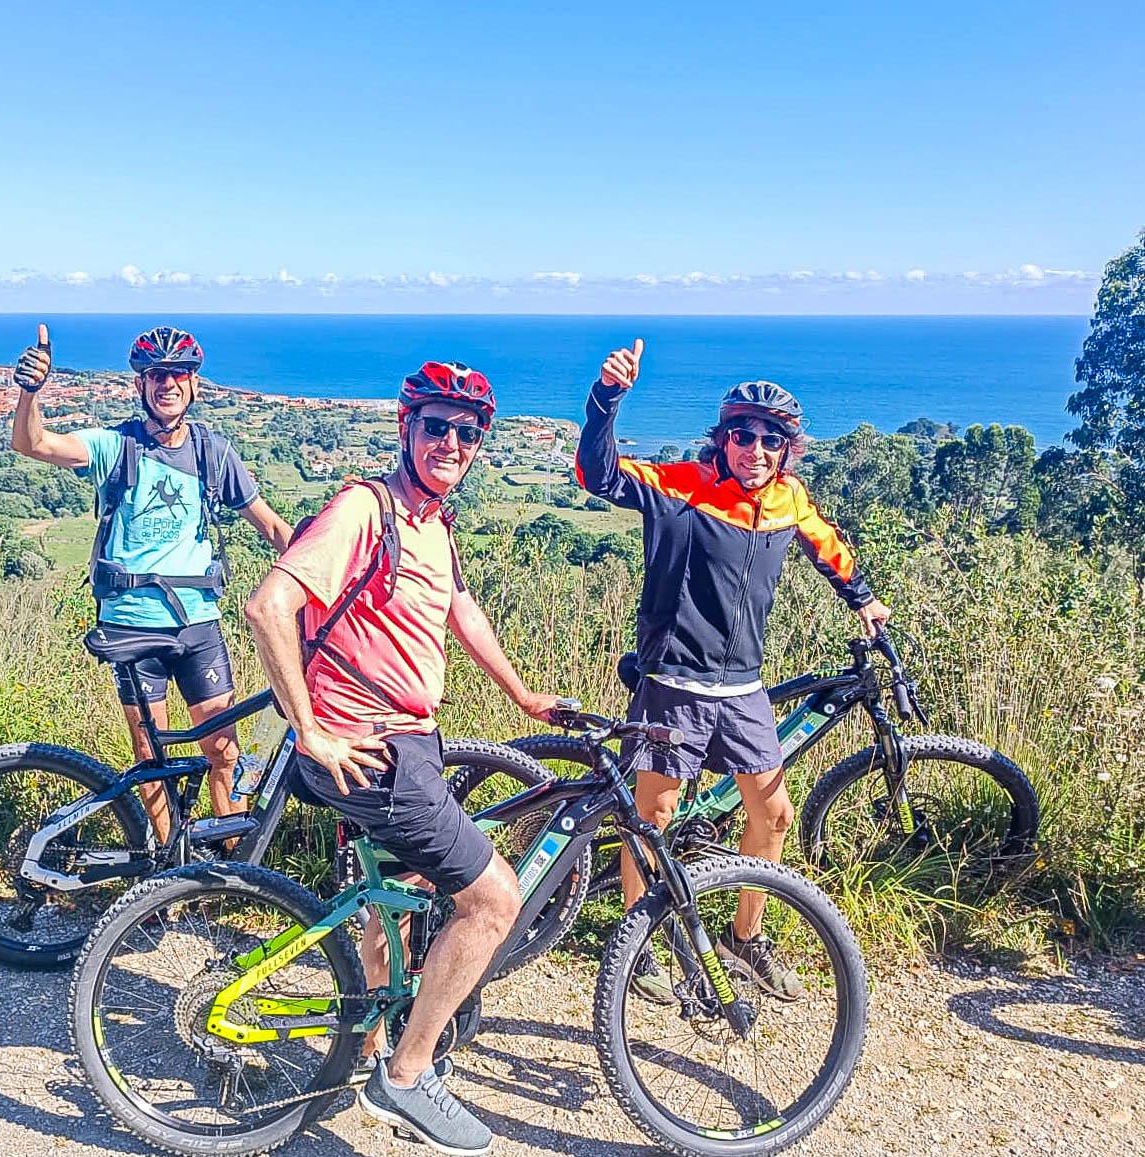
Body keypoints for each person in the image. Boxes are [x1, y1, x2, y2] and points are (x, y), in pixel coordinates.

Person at [244, 361, 557, 1157]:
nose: (453, 441)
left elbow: (457, 604)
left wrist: (521, 693)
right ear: (406, 428)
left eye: (468, 431)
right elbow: (267, 604)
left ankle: (377, 1042)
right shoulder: (363, 509)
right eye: (437, 426)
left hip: (403, 743)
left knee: (401, 890)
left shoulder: (430, 521)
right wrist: (308, 727)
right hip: (370, 749)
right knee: (492, 900)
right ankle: (407, 1077)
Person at [578, 340, 891, 1000]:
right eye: (743, 434)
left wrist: (862, 598)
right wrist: (607, 397)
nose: (755, 448)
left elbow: (827, 546)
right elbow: (598, 475)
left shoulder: (787, 500)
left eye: (770, 439)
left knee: (772, 814)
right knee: (653, 817)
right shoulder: (683, 490)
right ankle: (640, 945)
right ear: (722, 439)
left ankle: (744, 940)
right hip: (674, 683)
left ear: (785, 449)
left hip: (743, 686)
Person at [10, 323, 292, 841]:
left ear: (194, 385)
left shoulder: (213, 453)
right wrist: (32, 391)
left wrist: (325, 578)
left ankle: (226, 870)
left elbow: (272, 525)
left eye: (179, 375)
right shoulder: (116, 445)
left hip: (198, 624)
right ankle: (167, 866)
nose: (169, 384)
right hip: (130, 625)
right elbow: (33, 444)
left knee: (223, 750)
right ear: (140, 386)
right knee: (150, 753)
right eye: (157, 375)